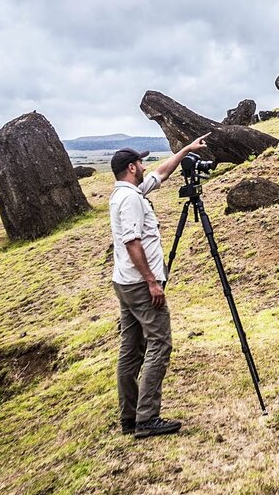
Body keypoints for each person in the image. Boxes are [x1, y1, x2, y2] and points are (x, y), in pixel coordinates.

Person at [109, 134, 208, 438]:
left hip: (124, 283)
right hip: (140, 284)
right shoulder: (130, 200)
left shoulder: (128, 192)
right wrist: (152, 281)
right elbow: (132, 242)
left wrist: (186, 150)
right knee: (159, 344)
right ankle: (146, 418)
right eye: (140, 161)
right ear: (131, 168)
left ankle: (129, 417)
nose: (144, 165)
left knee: (131, 350)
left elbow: (160, 174)